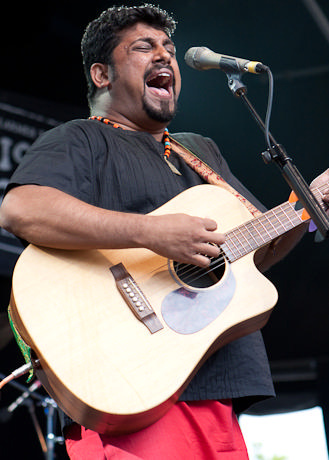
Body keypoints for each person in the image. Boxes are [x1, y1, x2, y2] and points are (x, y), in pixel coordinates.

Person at [0, 4, 328, 459]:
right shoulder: (81, 138)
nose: (165, 57)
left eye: (170, 49)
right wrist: (152, 234)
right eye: (144, 47)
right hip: (129, 388)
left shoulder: (200, 150)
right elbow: (21, 208)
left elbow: (256, 251)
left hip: (214, 389)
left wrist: (307, 206)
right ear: (101, 74)